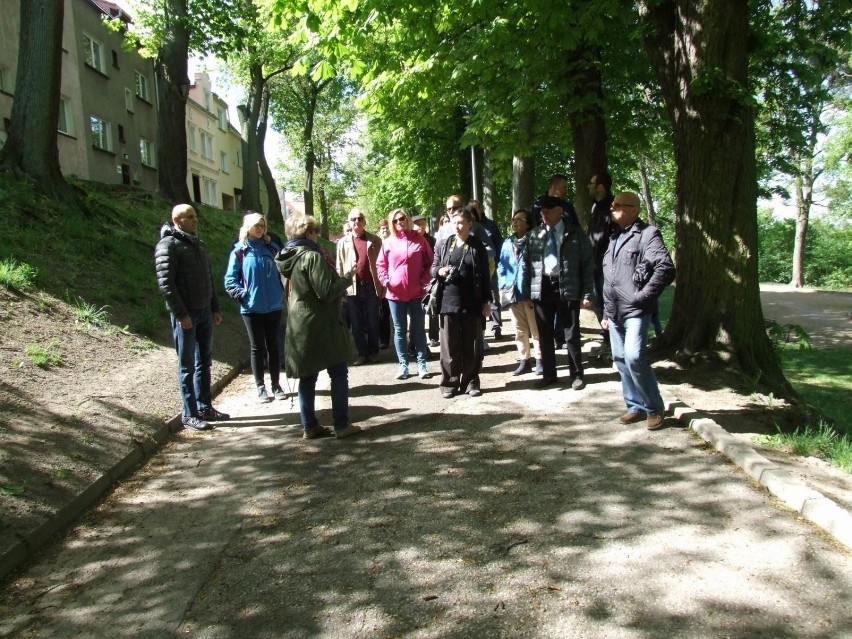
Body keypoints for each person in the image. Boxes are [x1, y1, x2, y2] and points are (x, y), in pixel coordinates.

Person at [276, 215, 361, 439]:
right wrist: (347, 278)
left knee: (308, 376)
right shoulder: (311, 256)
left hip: (299, 324)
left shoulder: (287, 256)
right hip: (321, 323)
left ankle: (309, 426)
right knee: (338, 372)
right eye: (315, 230)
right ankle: (342, 425)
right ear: (307, 233)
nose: (318, 235)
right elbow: (326, 291)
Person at [601, 192, 675, 431]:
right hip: (613, 312)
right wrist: (604, 312)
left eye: (617, 205)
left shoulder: (647, 234)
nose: (612, 208)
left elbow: (665, 268)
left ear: (633, 209)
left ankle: (654, 408)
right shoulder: (614, 237)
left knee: (634, 356)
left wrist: (642, 297)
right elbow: (609, 278)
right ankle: (635, 406)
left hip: (635, 310)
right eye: (612, 205)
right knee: (621, 359)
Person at [154, 204, 229, 431]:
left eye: (195, 216)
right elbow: (167, 284)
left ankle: (205, 406)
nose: (195, 220)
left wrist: (215, 308)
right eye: (190, 217)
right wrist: (181, 314)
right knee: (187, 365)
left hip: (205, 311)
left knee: (204, 361)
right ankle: (189, 413)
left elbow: (208, 278)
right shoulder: (168, 245)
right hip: (186, 315)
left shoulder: (198, 244)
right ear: (177, 220)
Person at [524, 195, 594, 390]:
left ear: (559, 212)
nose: (542, 214)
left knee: (571, 333)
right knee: (544, 335)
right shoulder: (535, 235)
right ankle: (549, 375)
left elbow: (587, 265)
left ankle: (577, 375)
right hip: (542, 287)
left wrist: (587, 293)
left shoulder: (575, 234)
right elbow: (526, 265)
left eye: (547, 211)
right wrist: (527, 292)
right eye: (541, 211)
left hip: (568, 287)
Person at [224, 212, 286, 403]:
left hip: (274, 305)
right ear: (248, 228)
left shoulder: (272, 248)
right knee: (257, 348)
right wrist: (243, 295)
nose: (260, 229)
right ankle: (260, 387)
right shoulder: (239, 251)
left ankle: (276, 385)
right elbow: (230, 279)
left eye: (263, 225)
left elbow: (286, 269)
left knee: (273, 346)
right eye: (257, 225)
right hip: (252, 308)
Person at [431, 207, 492, 398]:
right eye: (454, 222)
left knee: (472, 346)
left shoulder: (477, 247)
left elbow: (485, 278)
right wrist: (439, 271)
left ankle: (471, 382)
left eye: (460, 223)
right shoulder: (443, 244)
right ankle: (449, 383)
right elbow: (433, 268)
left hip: (472, 303)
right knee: (449, 346)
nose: (457, 227)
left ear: (469, 224)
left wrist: (487, 301)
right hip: (447, 302)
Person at [376, 209, 434, 380]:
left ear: (408, 219)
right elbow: (380, 265)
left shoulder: (420, 240)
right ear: (392, 223)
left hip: (417, 293)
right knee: (400, 331)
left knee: (418, 329)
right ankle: (403, 366)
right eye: (395, 220)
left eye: (402, 218)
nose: (399, 222)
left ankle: (422, 364)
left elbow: (430, 263)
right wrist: (387, 281)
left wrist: (424, 280)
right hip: (395, 294)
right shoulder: (388, 242)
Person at [336, 208, 384, 365]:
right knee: (356, 323)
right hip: (352, 288)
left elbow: (383, 263)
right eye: (353, 219)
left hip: (371, 287)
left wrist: (383, 286)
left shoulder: (375, 240)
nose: (356, 221)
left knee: (373, 321)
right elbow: (339, 267)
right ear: (349, 222)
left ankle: (373, 352)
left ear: (364, 221)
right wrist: (341, 290)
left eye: (359, 218)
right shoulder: (342, 243)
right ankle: (362, 354)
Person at [497, 209, 540, 376]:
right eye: (513, 219)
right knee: (519, 330)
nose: (515, 222)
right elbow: (501, 265)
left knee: (535, 329)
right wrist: (503, 284)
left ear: (528, 223)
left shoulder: (534, 242)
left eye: (519, 219)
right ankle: (524, 360)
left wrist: (532, 293)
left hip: (529, 294)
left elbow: (537, 268)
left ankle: (541, 360)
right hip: (512, 292)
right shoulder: (507, 242)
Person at [469, 199, 504, 340]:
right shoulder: (466, 227)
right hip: (473, 271)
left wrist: (494, 260)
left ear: (481, 209)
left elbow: (497, 244)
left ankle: (496, 326)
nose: (474, 212)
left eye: (476, 209)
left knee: (493, 295)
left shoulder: (489, 225)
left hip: (490, 265)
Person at [588, 172, 615, 352]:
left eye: (591, 183)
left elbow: (606, 238)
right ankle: (607, 340)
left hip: (606, 265)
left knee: (608, 303)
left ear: (600, 187)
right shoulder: (596, 208)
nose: (588, 187)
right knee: (598, 302)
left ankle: (613, 344)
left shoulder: (613, 208)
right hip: (594, 263)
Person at [412, 214, 439, 347]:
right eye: (416, 224)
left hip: (431, 280)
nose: (419, 227)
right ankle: (414, 341)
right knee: (416, 314)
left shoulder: (432, 241)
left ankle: (434, 337)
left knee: (433, 307)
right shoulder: (410, 240)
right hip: (415, 281)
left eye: (421, 224)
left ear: (425, 226)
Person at [376, 219, 392, 349]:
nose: (385, 230)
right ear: (379, 231)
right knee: (382, 313)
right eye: (383, 228)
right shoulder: (375, 243)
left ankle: (386, 339)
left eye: (387, 228)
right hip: (379, 283)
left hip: (391, 283)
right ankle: (383, 339)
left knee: (387, 312)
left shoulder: (393, 242)